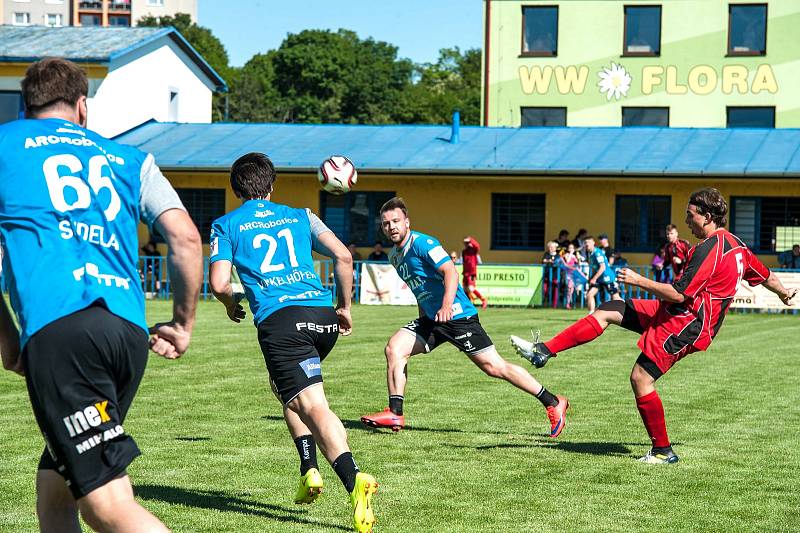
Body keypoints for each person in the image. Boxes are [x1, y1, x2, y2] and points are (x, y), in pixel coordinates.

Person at [0, 58, 202, 532]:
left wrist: (8, 338)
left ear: (27, 106)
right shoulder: (131, 159)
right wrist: (182, 324)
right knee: (56, 490)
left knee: (106, 505)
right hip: (126, 332)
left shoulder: (5, 146)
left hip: (62, 331)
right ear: (82, 107)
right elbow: (187, 239)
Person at [511, 188, 796, 464]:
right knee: (611, 309)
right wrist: (784, 292)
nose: (686, 221)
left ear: (707, 216)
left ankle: (662, 450)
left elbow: (679, 293)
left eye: (690, 215)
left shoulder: (710, 249)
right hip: (677, 312)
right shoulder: (737, 245)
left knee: (640, 378)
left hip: (688, 322)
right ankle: (543, 351)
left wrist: (639, 280)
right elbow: (766, 275)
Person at [208, 153, 377, 533]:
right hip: (321, 317)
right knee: (288, 391)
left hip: (282, 322)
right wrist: (345, 308)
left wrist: (231, 302)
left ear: (236, 190)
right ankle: (308, 469)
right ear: (272, 185)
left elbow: (219, 283)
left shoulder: (225, 224)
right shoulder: (302, 215)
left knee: (312, 405)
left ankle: (353, 481)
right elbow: (344, 255)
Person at [360, 198, 568, 437]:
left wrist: (447, 305)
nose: (391, 227)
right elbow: (420, 289)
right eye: (386, 224)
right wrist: (424, 318)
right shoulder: (394, 256)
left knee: (495, 367)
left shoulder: (423, 243)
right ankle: (395, 412)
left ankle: (553, 402)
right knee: (395, 348)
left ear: (407, 222)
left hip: (458, 317)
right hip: (432, 319)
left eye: (396, 221)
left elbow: (449, 270)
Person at [585, 236, 622, 313]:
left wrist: (594, 278)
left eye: (588, 242)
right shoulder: (590, 254)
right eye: (585, 242)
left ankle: (627, 311)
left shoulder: (597, 252)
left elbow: (603, 267)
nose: (586, 244)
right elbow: (594, 267)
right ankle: (591, 315)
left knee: (615, 297)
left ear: (593, 243)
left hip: (607, 277)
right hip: (599, 278)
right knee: (590, 295)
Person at [462, 236, 488, 309]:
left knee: (471, 288)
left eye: (467, 242)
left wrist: (471, 240)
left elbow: (477, 246)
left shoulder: (473, 250)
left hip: (472, 273)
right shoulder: (464, 252)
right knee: (464, 289)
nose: (466, 244)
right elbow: (464, 263)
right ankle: (469, 304)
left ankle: (483, 299)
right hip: (465, 273)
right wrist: (464, 272)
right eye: (465, 243)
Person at [541, 241, 560, 307]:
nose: (550, 248)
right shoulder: (546, 254)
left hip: (555, 275)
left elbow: (557, 262)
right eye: (549, 247)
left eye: (552, 247)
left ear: (555, 248)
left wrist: (549, 261)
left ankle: (554, 305)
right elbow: (543, 261)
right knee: (545, 289)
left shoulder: (558, 255)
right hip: (547, 274)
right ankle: (544, 302)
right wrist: (549, 261)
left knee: (555, 289)